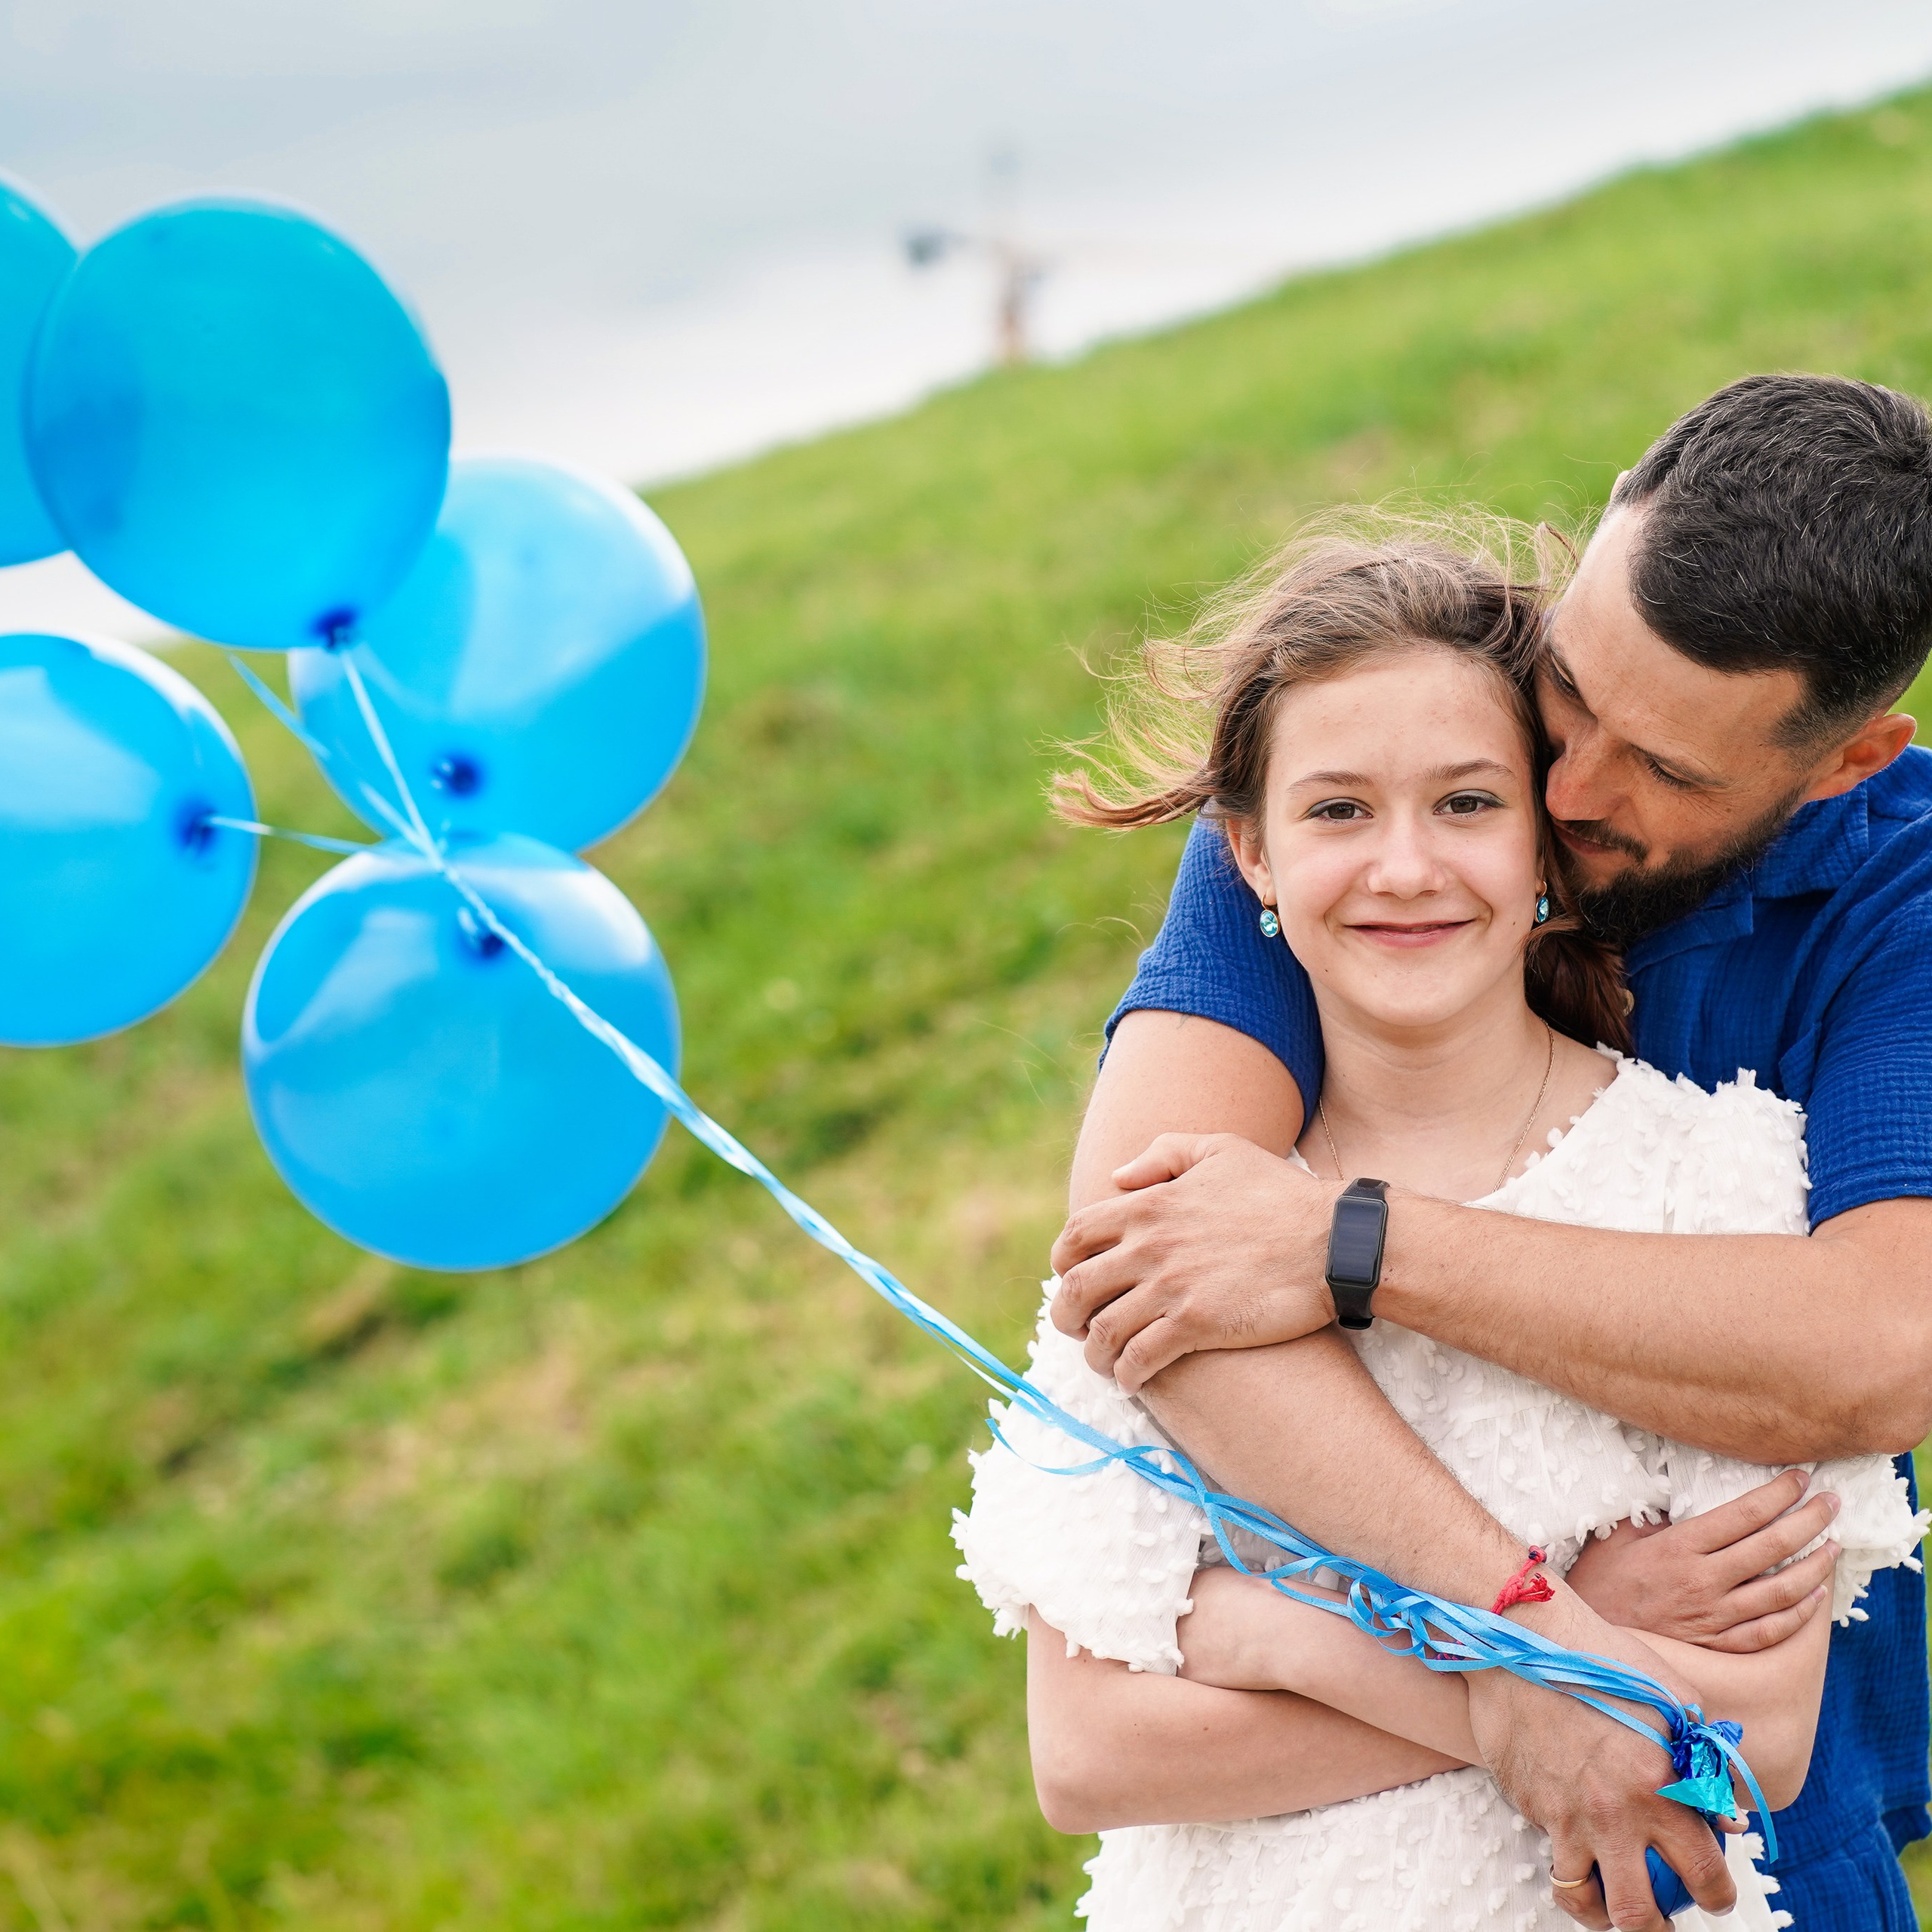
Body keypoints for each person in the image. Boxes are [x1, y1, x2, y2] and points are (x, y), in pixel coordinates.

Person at [1042, 374, 1932, 1930]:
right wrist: (1528, 1636)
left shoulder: (1899, 910)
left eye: (1666, 770)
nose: (1569, 790)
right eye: (1571, 695)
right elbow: (1149, 1273)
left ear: (1847, 759)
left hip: (1721, 1855)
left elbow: (1878, 1349)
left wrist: (1349, 1244)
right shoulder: (1390, 766)